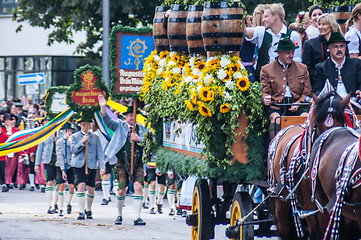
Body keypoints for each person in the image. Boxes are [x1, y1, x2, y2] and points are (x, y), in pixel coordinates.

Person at [98, 95, 147, 226]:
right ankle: (119, 215)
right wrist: (103, 107)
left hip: (138, 163)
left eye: (134, 115)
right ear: (126, 117)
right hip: (122, 162)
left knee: (138, 186)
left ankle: (137, 217)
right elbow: (108, 121)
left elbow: (150, 145)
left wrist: (139, 139)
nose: (132, 118)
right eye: (130, 115)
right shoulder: (120, 125)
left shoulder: (142, 129)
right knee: (121, 189)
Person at [260, 36, 312, 139]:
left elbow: (307, 91)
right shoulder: (266, 69)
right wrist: (265, 98)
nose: (291, 55)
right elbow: (264, 91)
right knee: (276, 119)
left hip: (297, 104)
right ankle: (274, 149)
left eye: (292, 52)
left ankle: (304, 148)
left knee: (306, 118)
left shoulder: (302, 68)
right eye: (288, 53)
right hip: (277, 106)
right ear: (279, 53)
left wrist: (299, 103)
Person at [244, 3, 302, 81]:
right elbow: (248, 33)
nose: (263, 20)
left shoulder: (293, 36)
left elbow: (296, 63)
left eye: (266, 16)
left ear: (276, 17)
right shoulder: (262, 32)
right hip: (262, 84)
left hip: (284, 86)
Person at [70, 118, 105, 220]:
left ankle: (88, 209)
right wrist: (82, 141)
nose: (85, 126)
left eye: (87, 124)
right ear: (80, 125)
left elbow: (100, 153)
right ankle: (81, 211)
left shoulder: (95, 137)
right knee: (80, 185)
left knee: (91, 189)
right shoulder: (75, 136)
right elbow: (73, 150)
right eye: (83, 124)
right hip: (79, 165)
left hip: (91, 165)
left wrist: (102, 167)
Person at [313, 32, 361, 97]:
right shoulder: (321, 67)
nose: (339, 49)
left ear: (345, 48)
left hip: (354, 102)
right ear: (329, 49)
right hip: (330, 104)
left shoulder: (356, 64)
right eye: (335, 47)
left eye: (342, 46)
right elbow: (317, 90)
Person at [302, 13, 342, 89]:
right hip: (318, 85)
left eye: (323, 24)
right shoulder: (310, 44)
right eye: (319, 24)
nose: (320, 27)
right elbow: (307, 68)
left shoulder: (341, 44)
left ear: (331, 25)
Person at [35, 116, 58, 214]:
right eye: (46, 122)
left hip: (59, 161)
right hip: (48, 160)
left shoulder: (60, 132)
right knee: (49, 182)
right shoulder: (44, 134)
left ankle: (56, 203)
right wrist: (37, 164)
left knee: (59, 183)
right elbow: (40, 149)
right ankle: (51, 205)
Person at [55, 123, 76, 217]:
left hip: (72, 165)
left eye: (71, 131)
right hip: (62, 165)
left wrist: (70, 141)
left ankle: (69, 203)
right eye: (68, 131)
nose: (69, 132)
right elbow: (59, 155)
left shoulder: (74, 141)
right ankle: (60, 208)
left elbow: (75, 151)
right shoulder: (59, 142)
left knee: (72, 186)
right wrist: (63, 170)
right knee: (61, 185)